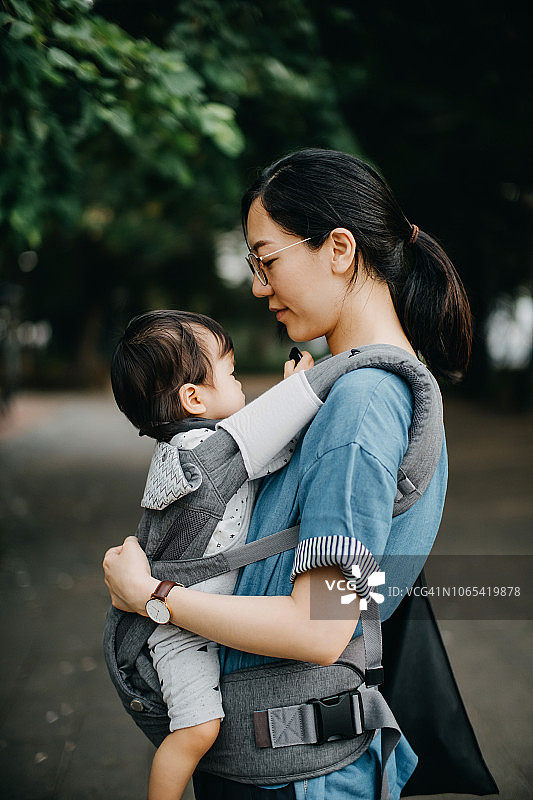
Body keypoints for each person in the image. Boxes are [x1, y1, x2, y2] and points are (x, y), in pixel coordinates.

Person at [103, 148, 472, 800]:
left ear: (338, 249)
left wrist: (153, 596)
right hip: (287, 759)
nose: (256, 284)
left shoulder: (363, 405)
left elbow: (321, 626)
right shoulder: (360, 391)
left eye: (267, 260)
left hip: (292, 776)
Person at [110, 309, 318, 800]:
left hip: (183, 616)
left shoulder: (186, 447)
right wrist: (302, 386)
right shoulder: (206, 448)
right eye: (230, 371)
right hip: (177, 631)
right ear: (194, 397)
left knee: (199, 729)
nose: (240, 380)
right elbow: (274, 437)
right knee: (197, 731)